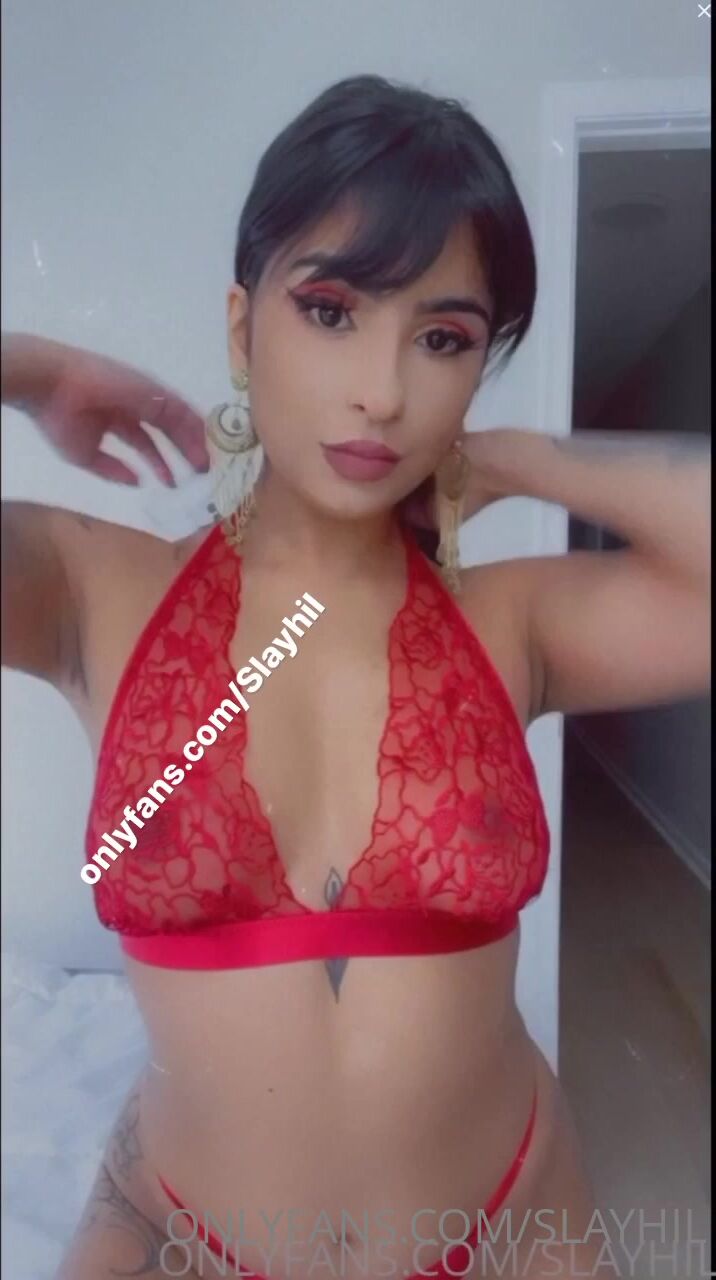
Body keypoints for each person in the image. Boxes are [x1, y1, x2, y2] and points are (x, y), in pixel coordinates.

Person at [2, 74, 709, 1280]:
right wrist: (27, 368)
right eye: (330, 310)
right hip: (186, 1228)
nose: (383, 390)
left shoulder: (512, 619)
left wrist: (516, 459)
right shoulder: (91, 590)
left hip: (509, 1219)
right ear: (242, 329)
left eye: (442, 338)